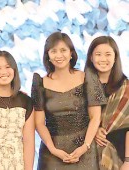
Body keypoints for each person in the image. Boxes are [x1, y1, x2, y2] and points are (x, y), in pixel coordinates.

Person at [31, 32, 107, 170]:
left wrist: (85, 146)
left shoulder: (87, 78)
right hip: (52, 153)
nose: (59, 55)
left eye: (63, 50)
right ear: (47, 55)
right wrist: (53, 149)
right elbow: (39, 123)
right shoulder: (40, 83)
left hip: (85, 150)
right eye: (53, 51)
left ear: (71, 53)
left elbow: (95, 117)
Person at [85, 36, 129, 170]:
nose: (103, 59)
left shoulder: (126, 88)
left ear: (115, 57)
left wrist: (128, 161)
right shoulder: (82, 86)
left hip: (121, 153)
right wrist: (94, 129)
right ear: (91, 58)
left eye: (108, 54)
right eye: (98, 54)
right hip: (87, 154)